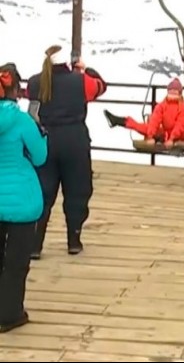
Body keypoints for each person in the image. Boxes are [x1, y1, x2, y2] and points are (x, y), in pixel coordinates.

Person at [26, 45, 107, 258]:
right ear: (67, 63)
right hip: (75, 140)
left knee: (42, 193)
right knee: (77, 191)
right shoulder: (80, 81)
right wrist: (86, 70)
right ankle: (74, 239)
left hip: (45, 141)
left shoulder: (35, 82)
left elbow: (30, 105)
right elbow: (100, 87)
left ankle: (35, 244)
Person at [0, 63, 47, 333]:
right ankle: (9, 315)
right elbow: (40, 157)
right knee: (16, 263)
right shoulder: (22, 121)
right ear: (16, 91)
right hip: (21, 201)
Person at [102, 78, 184, 145]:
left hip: (181, 133)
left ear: (179, 93)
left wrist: (172, 138)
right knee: (141, 126)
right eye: (170, 91)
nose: (172, 94)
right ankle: (117, 121)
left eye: (174, 91)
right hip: (166, 132)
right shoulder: (163, 105)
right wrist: (150, 135)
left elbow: (181, 123)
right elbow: (155, 119)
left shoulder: (183, 106)